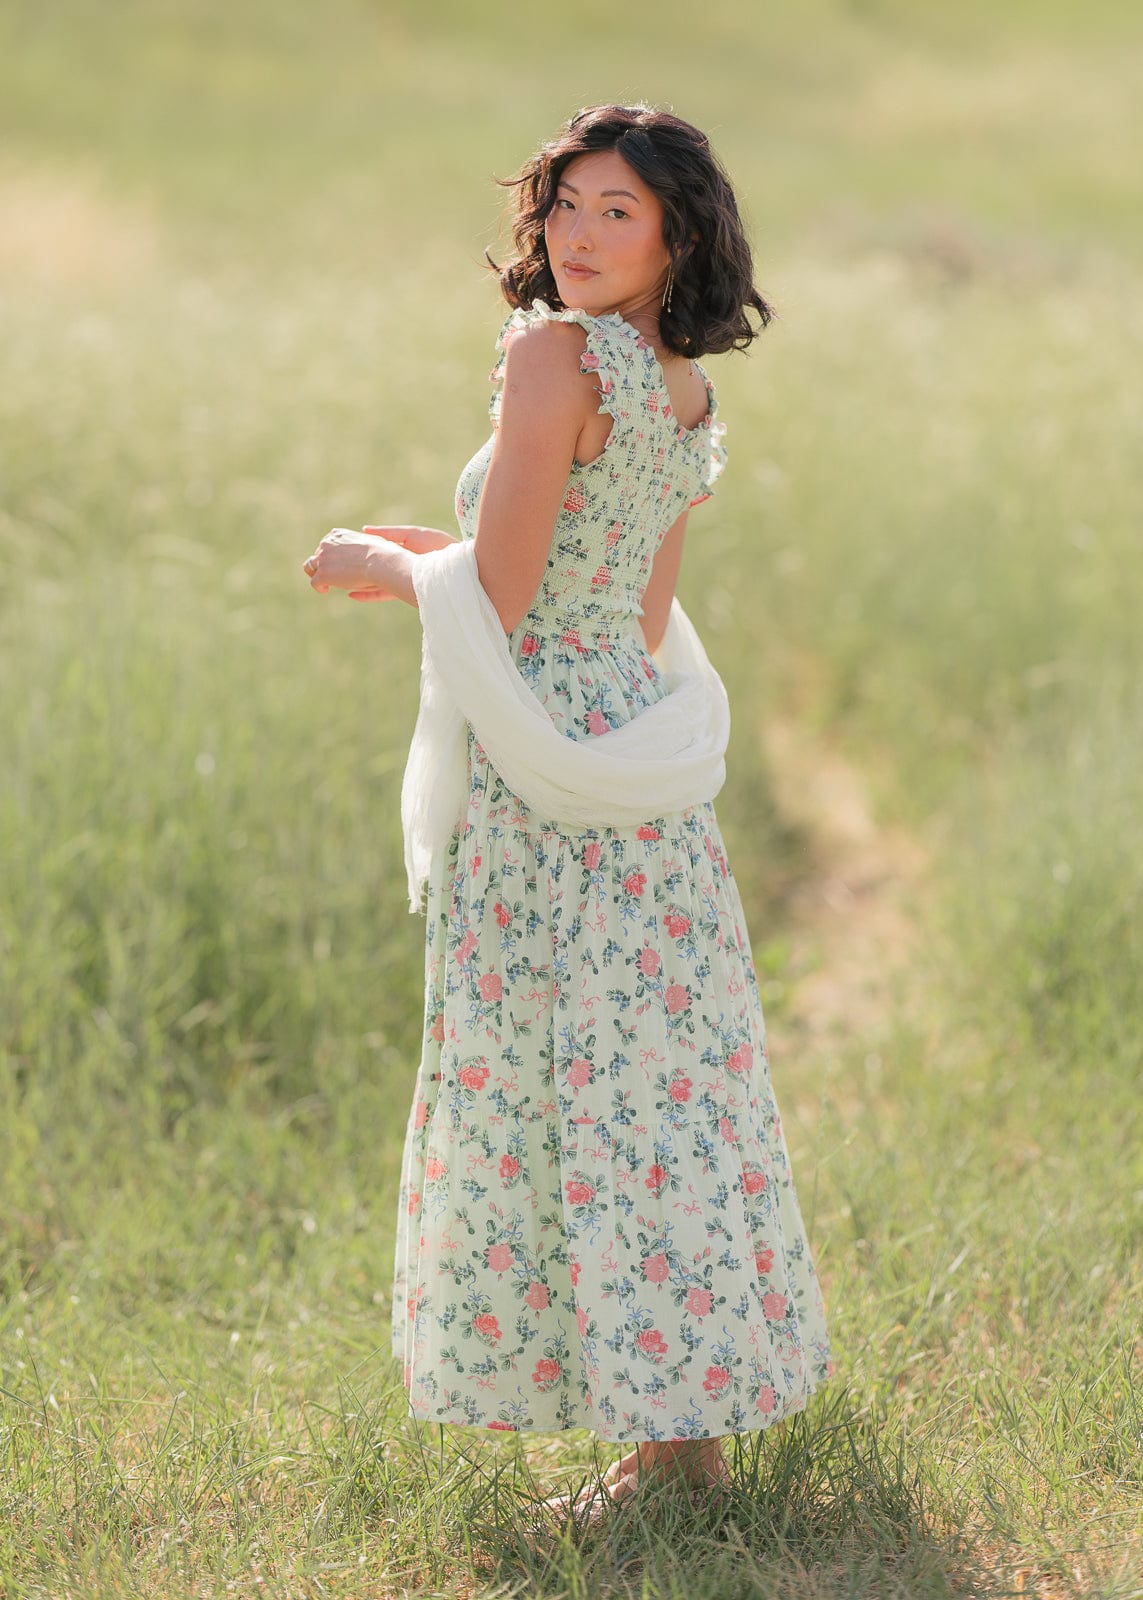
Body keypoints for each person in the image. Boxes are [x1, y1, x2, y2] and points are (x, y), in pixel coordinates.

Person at [302, 102, 832, 1517]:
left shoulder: (553, 357)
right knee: (654, 1081)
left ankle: (664, 1453)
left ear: (677, 238)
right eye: (566, 204)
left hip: (542, 773)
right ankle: (681, 1440)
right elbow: (627, 612)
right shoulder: (682, 392)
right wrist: (438, 558)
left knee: (557, 1075)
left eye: (619, 212)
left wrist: (382, 562)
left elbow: (503, 598)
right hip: (631, 752)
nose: (580, 235)